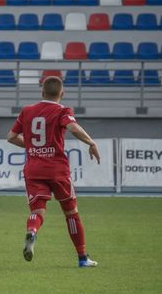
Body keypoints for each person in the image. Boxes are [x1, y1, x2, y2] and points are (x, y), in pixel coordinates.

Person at [6, 76, 100, 268]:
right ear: (62, 93)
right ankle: (82, 258)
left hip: (34, 169)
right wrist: (91, 142)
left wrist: (32, 146)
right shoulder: (62, 111)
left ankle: (32, 231)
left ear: (42, 92)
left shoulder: (27, 111)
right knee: (71, 213)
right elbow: (73, 127)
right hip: (57, 170)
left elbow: (11, 137)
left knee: (38, 211)